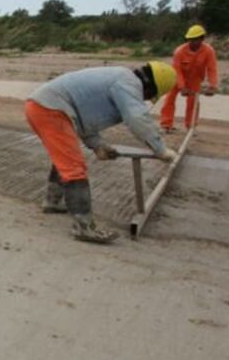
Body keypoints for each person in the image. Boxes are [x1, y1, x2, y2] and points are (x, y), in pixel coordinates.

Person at [25, 61, 178, 244]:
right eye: (149, 97)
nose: (145, 100)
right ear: (152, 88)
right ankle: (84, 227)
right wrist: (160, 149)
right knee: (74, 167)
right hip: (50, 110)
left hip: (43, 106)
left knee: (64, 156)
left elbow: (83, 121)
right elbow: (137, 118)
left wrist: (98, 145)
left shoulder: (119, 78)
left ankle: (53, 202)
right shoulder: (128, 83)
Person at [160, 24, 218, 132]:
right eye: (190, 39)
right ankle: (166, 124)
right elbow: (177, 70)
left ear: (201, 39)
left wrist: (212, 86)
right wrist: (181, 86)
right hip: (177, 76)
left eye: (195, 40)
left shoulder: (209, 51)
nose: (192, 42)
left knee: (193, 102)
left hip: (195, 78)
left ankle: (191, 126)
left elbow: (212, 69)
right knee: (169, 99)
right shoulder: (179, 51)